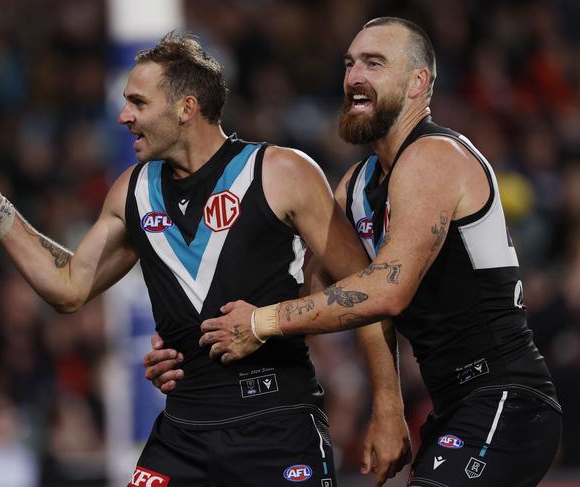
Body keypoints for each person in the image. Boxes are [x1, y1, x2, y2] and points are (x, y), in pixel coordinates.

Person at [0, 33, 410, 487]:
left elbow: (366, 290)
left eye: (137, 102)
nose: (123, 116)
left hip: (276, 422)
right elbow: (69, 287)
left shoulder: (281, 172)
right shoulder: (132, 190)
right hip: (183, 431)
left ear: (186, 108)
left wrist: (388, 411)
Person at [195, 17, 562, 487]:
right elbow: (310, 291)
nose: (353, 77)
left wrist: (261, 321)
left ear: (418, 82)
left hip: (507, 398)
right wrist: (195, 341)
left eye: (374, 63)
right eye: (349, 64)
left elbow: (386, 291)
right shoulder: (356, 188)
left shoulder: (436, 157)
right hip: (451, 404)